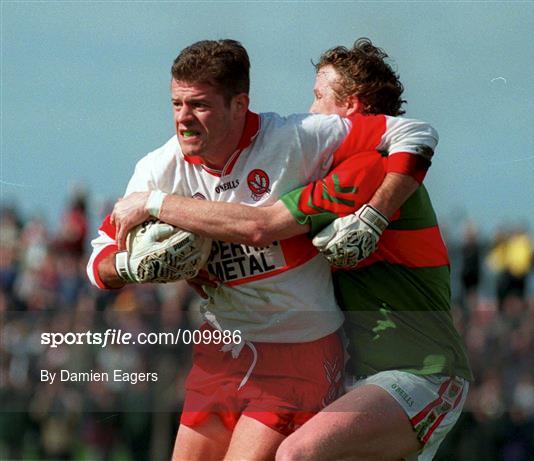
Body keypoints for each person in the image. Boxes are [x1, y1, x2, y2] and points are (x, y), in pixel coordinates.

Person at [111, 38, 471, 460]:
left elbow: (261, 226)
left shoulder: (370, 169)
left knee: (296, 454)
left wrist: (155, 204)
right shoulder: (321, 172)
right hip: (354, 382)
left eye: (319, 97)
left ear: (351, 109)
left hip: (422, 373)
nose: (311, 111)